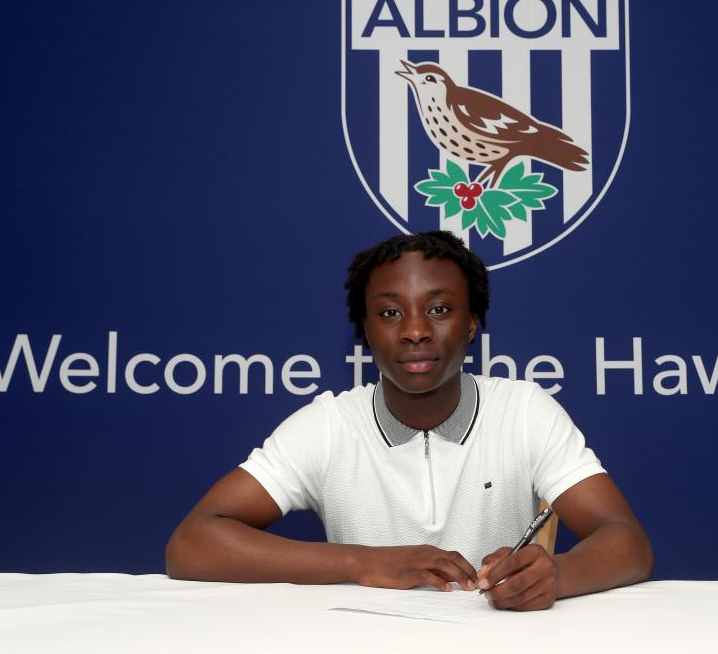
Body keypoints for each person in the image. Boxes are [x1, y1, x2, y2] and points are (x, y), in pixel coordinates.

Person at [166, 231, 652, 611]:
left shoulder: (524, 411)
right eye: (390, 312)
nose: (416, 330)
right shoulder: (329, 425)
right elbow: (192, 544)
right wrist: (366, 561)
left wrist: (557, 575)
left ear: (472, 323)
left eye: (439, 309)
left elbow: (627, 541)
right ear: (363, 329)